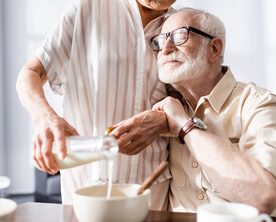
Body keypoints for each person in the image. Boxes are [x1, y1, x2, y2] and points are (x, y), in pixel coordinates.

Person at [112, 8, 276, 217]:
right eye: (160, 41)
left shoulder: (257, 103)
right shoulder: (160, 105)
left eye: (180, 36)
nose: (165, 49)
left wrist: (184, 125)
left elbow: (261, 197)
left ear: (214, 49)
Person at [15, 0, 177, 210]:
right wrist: (45, 117)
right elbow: (30, 73)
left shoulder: (181, 28)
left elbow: (190, 103)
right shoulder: (87, 9)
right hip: (84, 185)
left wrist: (163, 120)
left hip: (152, 189)